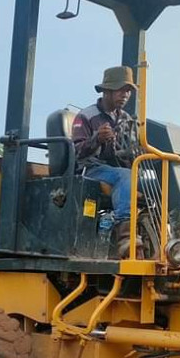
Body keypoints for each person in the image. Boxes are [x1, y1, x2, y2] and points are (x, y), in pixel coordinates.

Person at [71, 65, 142, 257]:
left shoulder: (126, 119)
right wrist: (97, 139)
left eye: (128, 91)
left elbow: (129, 152)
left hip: (115, 170)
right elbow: (77, 152)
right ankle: (126, 236)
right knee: (125, 176)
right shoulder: (87, 116)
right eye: (121, 89)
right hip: (90, 170)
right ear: (107, 91)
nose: (125, 95)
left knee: (149, 182)